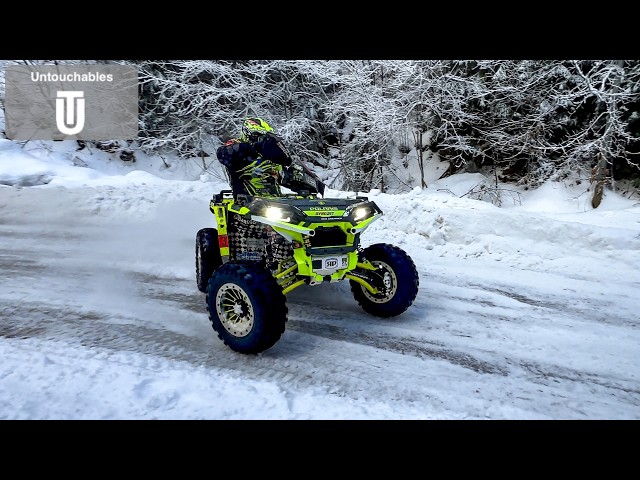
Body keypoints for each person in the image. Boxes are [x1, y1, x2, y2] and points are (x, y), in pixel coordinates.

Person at [216, 116, 310, 198]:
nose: (261, 139)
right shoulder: (237, 144)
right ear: (248, 133)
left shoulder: (267, 154)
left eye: (263, 136)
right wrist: (252, 148)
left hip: (274, 202)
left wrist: (301, 183)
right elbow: (223, 154)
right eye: (258, 135)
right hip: (245, 201)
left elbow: (284, 175)